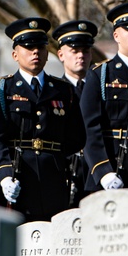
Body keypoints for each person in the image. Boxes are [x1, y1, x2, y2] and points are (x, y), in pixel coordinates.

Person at [0, 18, 84, 221]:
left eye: (40, 46)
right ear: (15, 54)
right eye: (28, 47)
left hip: (52, 183)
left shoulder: (63, 90)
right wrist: (3, 176)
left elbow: (76, 137)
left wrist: (53, 160)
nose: (35, 52)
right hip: (16, 180)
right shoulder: (0, 90)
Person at [80, 2, 128, 193]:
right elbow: (89, 127)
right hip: (112, 167)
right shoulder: (100, 74)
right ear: (116, 36)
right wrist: (103, 170)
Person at [52, 19, 95, 204]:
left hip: (96, 171)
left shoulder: (101, 88)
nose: (81, 56)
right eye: (75, 51)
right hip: (65, 173)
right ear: (61, 55)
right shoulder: (54, 91)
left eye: (85, 51)